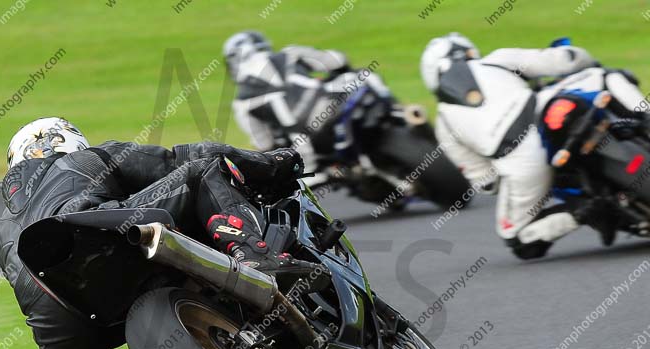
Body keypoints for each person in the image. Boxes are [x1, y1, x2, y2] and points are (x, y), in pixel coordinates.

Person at [0, 117, 304, 349]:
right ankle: (254, 257)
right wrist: (271, 163)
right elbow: (184, 158)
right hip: (102, 236)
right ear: (69, 142)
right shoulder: (86, 158)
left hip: (53, 298)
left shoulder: (4, 227)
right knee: (201, 172)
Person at [420, 33, 649, 259]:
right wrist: (581, 58)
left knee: (518, 239)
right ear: (469, 51)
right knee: (606, 75)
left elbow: (486, 182)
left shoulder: (443, 123)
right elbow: (565, 60)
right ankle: (644, 117)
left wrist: (513, 180)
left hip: (521, 164)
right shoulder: (495, 60)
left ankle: (581, 212)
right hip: (545, 109)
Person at [223, 31, 392, 182]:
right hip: (335, 105)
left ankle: (328, 171)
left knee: (284, 163)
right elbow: (336, 60)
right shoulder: (289, 53)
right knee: (364, 74)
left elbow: (263, 142)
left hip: (306, 145)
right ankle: (397, 112)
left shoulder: (241, 103)